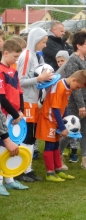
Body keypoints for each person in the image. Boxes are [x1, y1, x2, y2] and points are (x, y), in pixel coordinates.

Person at [35, 70, 86, 181]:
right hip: (48, 119)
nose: (77, 89)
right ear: (74, 79)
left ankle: (58, 170)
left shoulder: (68, 88)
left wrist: (66, 121)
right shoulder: (59, 86)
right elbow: (55, 108)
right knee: (50, 146)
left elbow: (64, 107)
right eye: (78, 87)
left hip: (57, 121)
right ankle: (50, 173)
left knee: (56, 145)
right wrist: (62, 126)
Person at [17, 27, 53, 182]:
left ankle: (28, 168)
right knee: (25, 136)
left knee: (32, 137)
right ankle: (20, 170)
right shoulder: (26, 56)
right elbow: (21, 81)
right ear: (36, 40)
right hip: (25, 102)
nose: (45, 45)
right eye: (43, 42)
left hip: (34, 102)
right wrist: (39, 79)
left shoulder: (38, 56)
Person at [59, 30, 86, 170]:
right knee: (70, 130)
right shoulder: (73, 60)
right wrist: (81, 105)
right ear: (79, 45)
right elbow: (74, 85)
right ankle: (58, 155)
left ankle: (84, 159)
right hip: (75, 103)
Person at [0, 39, 29, 195]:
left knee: (13, 146)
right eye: (15, 57)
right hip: (4, 116)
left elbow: (19, 91)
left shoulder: (13, 70)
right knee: (2, 147)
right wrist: (14, 113)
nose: (16, 60)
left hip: (15, 118)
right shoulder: (0, 70)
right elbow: (1, 97)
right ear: (5, 53)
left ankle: (10, 179)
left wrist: (21, 110)